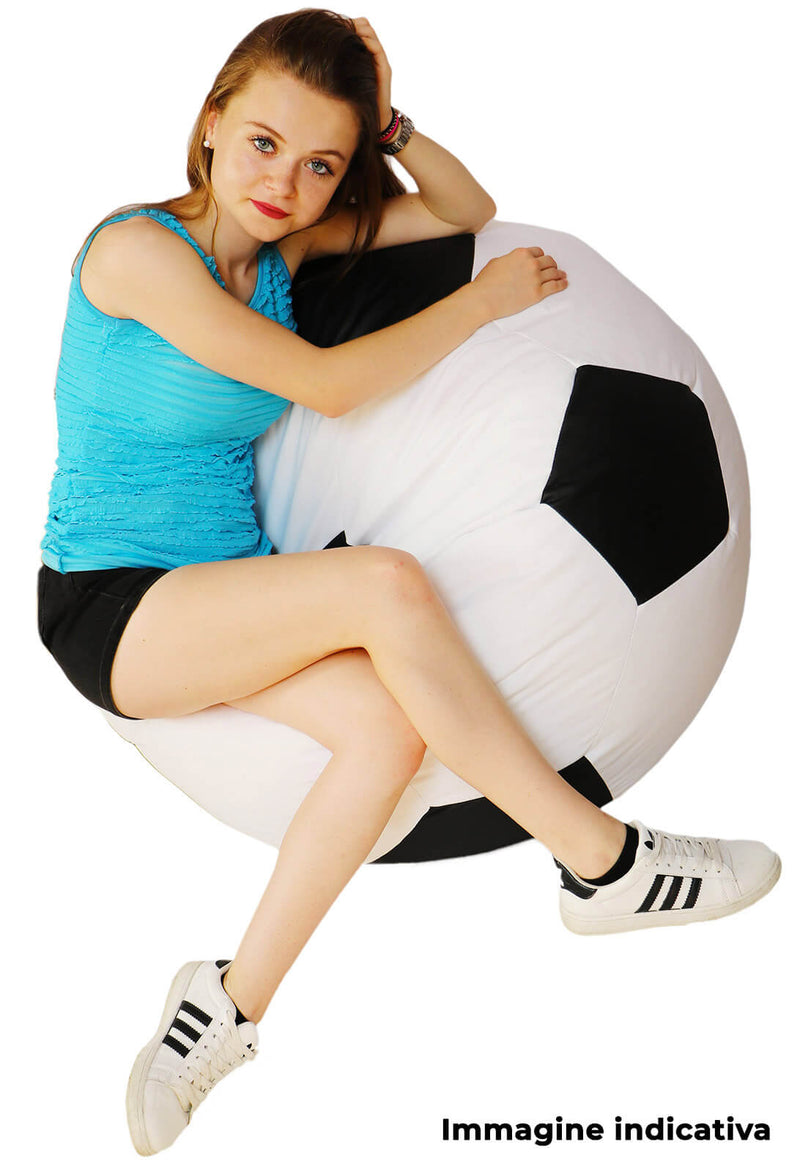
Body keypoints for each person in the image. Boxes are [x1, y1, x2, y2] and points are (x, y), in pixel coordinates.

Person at [37, 9, 780, 1157]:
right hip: (114, 598)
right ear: (210, 122)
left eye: (319, 163)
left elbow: (464, 209)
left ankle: (221, 1009)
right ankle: (600, 860)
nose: (284, 183)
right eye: (264, 143)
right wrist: (479, 303)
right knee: (384, 586)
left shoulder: (281, 256)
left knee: (387, 733)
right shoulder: (133, 254)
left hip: (226, 589)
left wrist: (390, 126)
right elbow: (327, 386)